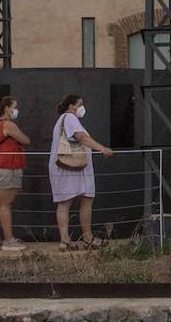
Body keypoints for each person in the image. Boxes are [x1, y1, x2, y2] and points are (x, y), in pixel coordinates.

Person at [49, 93, 114, 251]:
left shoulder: (62, 120)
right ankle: (87, 237)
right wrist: (102, 149)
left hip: (68, 168)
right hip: (71, 169)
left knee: (65, 203)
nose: (82, 107)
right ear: (72, 106)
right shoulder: (70, 118)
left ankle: (66, 241)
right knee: (84, 200)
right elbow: (81, 137)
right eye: (80, 104)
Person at [0, 96, 30, 251]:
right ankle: (9, 240)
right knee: (6, 204)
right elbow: (25, 140)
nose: (16, 110)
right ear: (7, 108)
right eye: (14, 107)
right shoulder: (8, 125)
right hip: (7, 166)